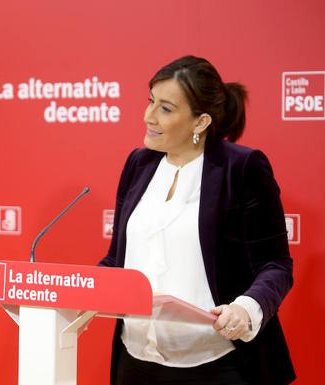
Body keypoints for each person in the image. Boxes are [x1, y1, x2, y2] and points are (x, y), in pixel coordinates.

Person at [99, 56, 295, 385]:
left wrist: (246, 308)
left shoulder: (242, 168)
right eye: (150, 101)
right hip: (135, 362)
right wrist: (82, 292)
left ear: (200, 122)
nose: (148, 116)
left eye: (165, 108)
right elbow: (117, 258)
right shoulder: (138, 163)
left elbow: (275, 265)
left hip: (217, 364)